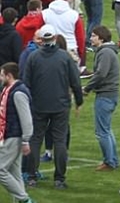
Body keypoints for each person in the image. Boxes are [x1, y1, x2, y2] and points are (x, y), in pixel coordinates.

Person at [23, 24, 83, 189]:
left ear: (41, 40)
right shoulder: (64, 57)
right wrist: (79, 101)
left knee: (35, 139)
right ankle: (59, 179)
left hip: (39, 105)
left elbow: (26, 83)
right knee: (60, 141)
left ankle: (32, 176)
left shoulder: (33, 57)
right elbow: (75, 82)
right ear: (55, 38)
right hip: (60, 105)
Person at [0, 62, 36, 203]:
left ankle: (24, 199)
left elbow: (26, 118)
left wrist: (26, 140)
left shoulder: (18, 93)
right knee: (15, 172)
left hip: (13, 136)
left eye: (2, 75)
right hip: (8, 135)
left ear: (9, 75)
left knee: (1, 170)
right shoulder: (8, 90)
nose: (0, 77)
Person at [82, 26, 120, 171]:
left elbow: (100, 74)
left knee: (102, 131)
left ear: (101, 38)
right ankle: (113, 160)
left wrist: (87, 88)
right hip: (111, 94)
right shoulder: (109, 51)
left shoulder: (104, 53)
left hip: (105, 95)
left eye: (93, 36)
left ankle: (109, 162)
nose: (90, 38)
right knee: (107, 129)